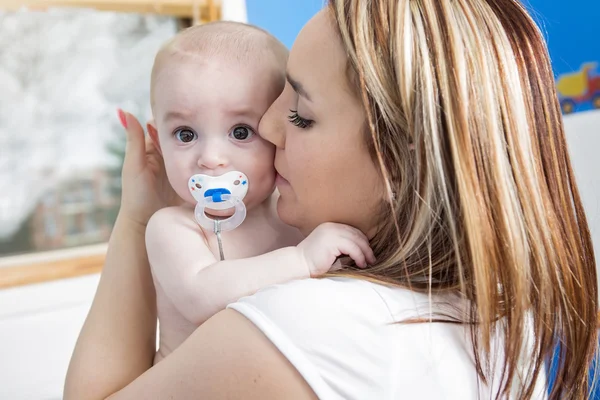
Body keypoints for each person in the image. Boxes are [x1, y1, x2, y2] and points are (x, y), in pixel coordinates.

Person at [64, 0, 598, 399]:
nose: (272, 128)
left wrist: (135, 218)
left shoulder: (308, 324)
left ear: (398, 159)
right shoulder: (502, 312)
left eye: (300, 114)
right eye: (186, 134)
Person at [142, 21, 374, 363]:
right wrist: (301, 260)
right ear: (158, 142)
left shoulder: (295, 215)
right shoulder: (173, 228)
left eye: (239, 131)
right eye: (186, 134)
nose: (211, 159)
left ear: (274, 127)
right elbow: (201, 295)